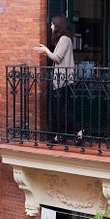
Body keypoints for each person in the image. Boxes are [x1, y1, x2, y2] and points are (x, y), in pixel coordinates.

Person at [34, 15, 81, 144]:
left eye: (53, 24)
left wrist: (46, 51)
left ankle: (79, 131)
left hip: (63, 81)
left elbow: (57, 57)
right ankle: (58, 136)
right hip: (58, 81)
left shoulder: (65, 39)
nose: (51, 26)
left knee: (62, 110)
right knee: (55, 110)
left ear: (58, 25)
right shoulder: (62, 40)